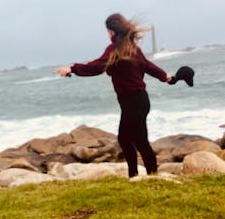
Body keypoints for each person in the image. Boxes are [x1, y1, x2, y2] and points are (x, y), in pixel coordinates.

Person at [55, 13, 172, 178]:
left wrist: (72, 69)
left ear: (111, 32)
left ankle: (142, 175)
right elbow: (148, 66)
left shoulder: (116, 50)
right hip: (138, 100)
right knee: (134, 139)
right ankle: (143, 175)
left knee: (129, 139)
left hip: (133, 101)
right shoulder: (132, 48)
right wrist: (165, 76)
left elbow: (97, 66)